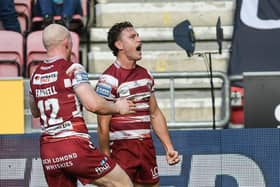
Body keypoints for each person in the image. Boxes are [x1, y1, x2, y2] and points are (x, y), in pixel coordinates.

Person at [29, 23, 135, 187]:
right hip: (73, 144)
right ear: (67, 43)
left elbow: (35, 111)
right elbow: (92, 104)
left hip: (48, 151)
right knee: (122, 183)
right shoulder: (72, 68)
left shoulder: (35, 75)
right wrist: (118, 107)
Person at [96, 21, 181, 187]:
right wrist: (106, 157)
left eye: (138, 36)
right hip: (122, 150)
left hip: (146, 147)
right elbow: (102, 124)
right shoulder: (108, 80)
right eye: (132, 37)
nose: (139, 40)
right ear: (119, 45)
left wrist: (169, 148)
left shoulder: (146, 75)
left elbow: (155, 113)